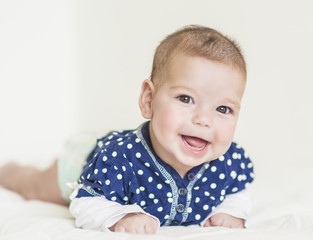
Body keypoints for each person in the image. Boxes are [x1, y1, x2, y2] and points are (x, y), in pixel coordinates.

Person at [0, 25, 254, 234]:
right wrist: (119, 216)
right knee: (34, 187)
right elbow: (86, 201)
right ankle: (11, 171)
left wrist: (231, 211)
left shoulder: (229, 161)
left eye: (223, 109)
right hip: (84, 165)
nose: (203, 120)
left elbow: (237, 192)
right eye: (186, 99)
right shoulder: (119, 157)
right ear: (148, 100)